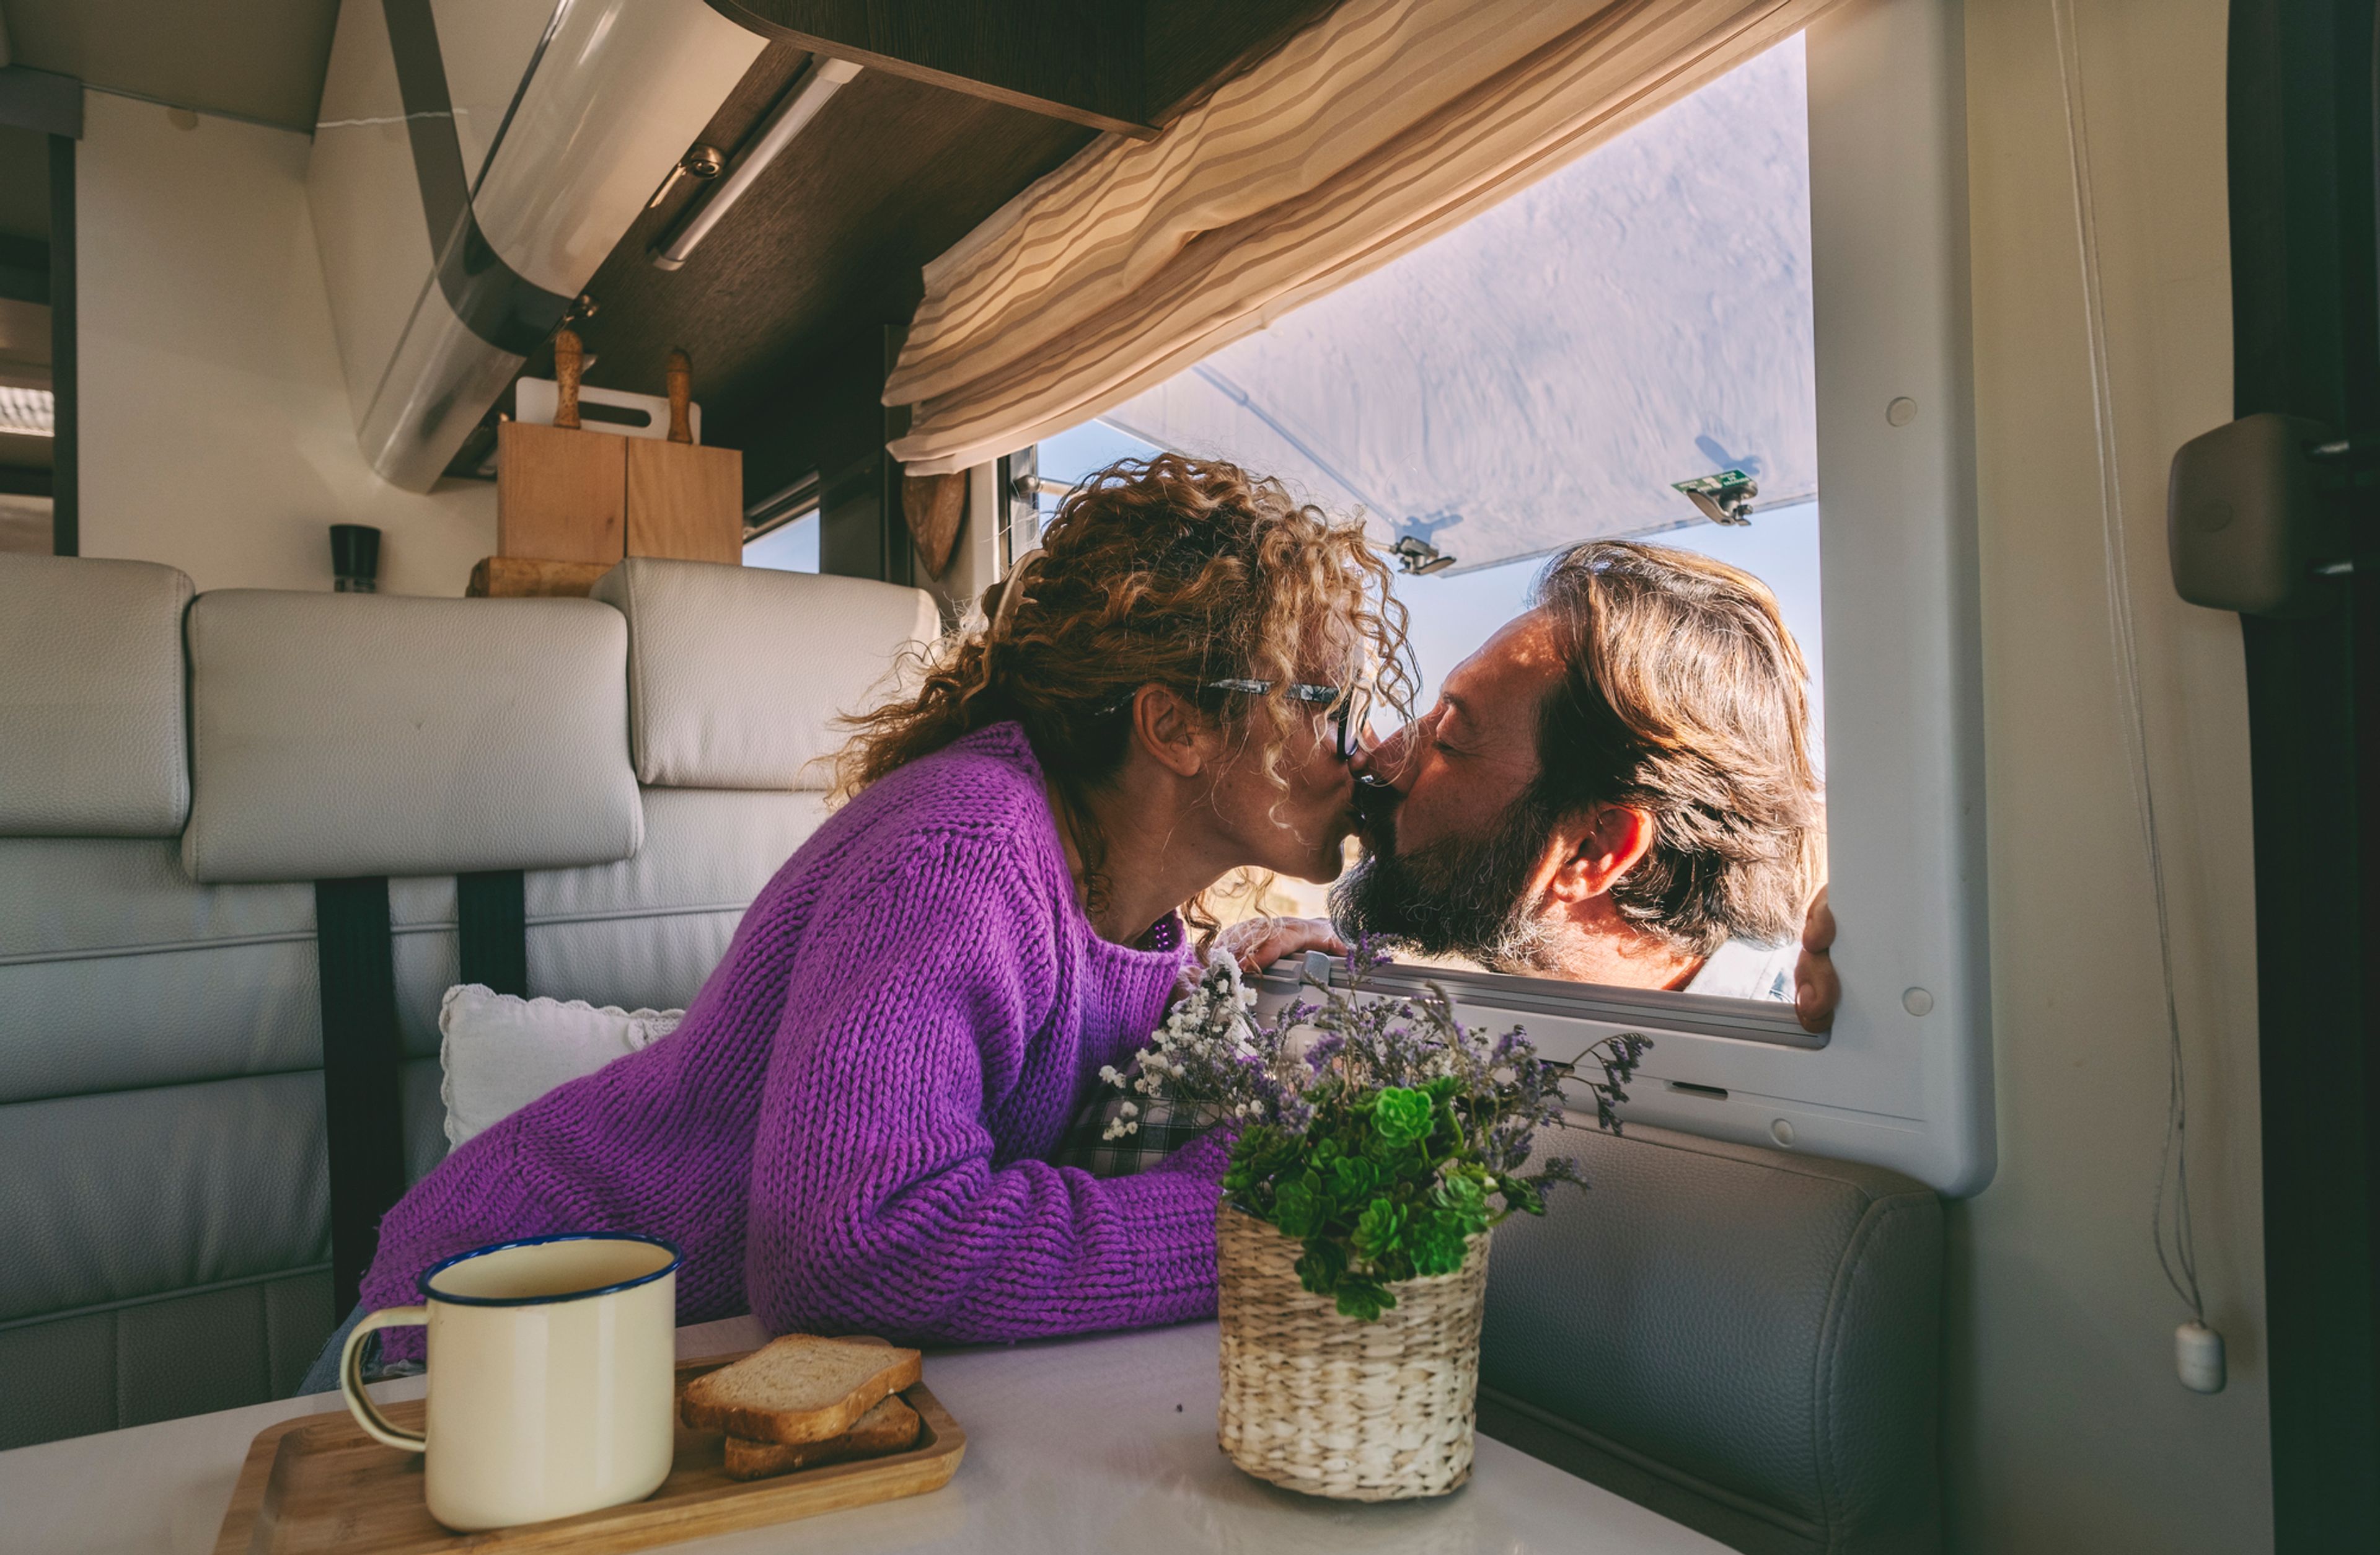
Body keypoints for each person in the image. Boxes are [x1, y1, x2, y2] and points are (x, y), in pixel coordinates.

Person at [317, 454, 1402, 1378]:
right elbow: (853, 1249)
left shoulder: (1122, 906)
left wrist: (1219, 972)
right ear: (1174, 723)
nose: (1355, 746)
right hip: (466, 1348)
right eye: (1320, 701)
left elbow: (1051, 1030)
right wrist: (1243, 1221)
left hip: (650, 1366)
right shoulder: (961, 851)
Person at [1334, 539, 1840, 1032]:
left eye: (1449, 739)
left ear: (1593, 848)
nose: (1381, 756)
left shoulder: (1836, 1057)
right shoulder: (1512, 1024)